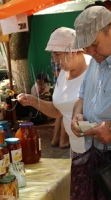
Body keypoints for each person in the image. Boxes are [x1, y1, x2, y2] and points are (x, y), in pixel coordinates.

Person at [18, 27, 91, 151]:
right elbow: (58, 110)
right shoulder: (63, 72)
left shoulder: (94, 70)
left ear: (73, 51)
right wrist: (33, 101)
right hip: (76, 149)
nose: (54, 60)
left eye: (57, 54)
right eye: (52, 55)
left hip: (97, 150)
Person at [71, 6, 111, 199]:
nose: (91, 52)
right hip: (95, 155)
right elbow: (81, 97)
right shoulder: (96, 60)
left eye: (95, 44)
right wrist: (77, 114)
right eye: (87, 47)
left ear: (110, 30)